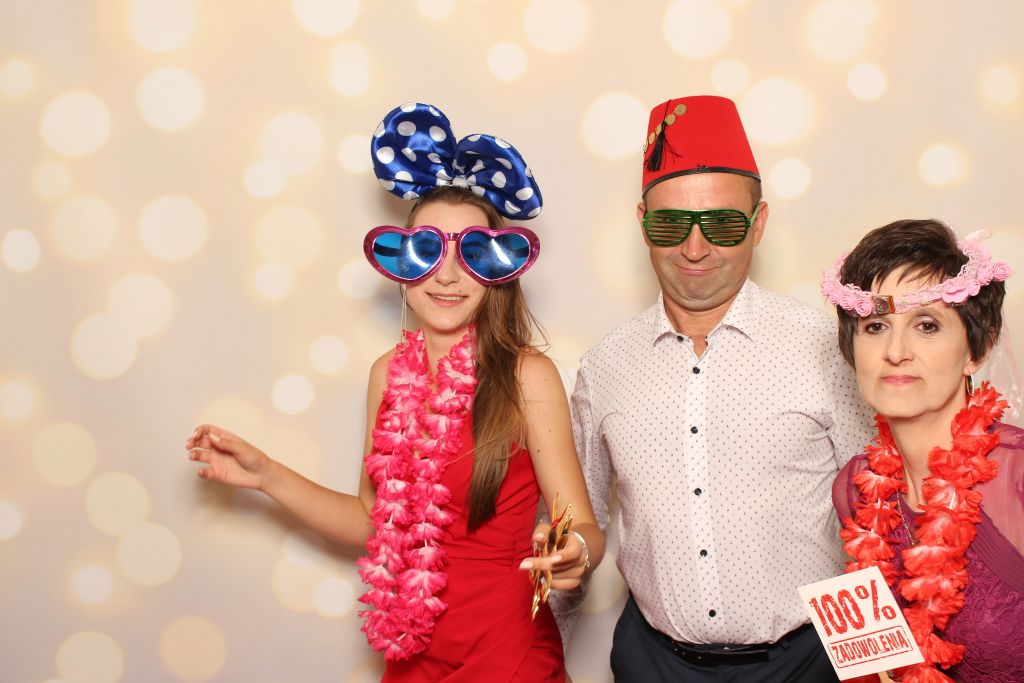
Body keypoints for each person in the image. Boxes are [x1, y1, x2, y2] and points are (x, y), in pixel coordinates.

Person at [185, 102, 604, 682]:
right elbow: (372, 522)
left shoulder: (526, 375)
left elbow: (583, 526)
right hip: (412, 656)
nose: (447, 275)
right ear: (404, 264)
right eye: (429, 251)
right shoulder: (387, 373)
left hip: (508, 657)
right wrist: (266, 475)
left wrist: (574, 550)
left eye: (470, 254)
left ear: (496, 269)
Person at [564, 95, 875, 681]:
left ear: (759, 224)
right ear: (642, 222)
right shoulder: (604, 367)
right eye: (670, 224)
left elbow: (875, 515)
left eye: (724, 224)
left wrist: (877, 666)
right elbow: (581, 521)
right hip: (653, 662)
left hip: (808, 660)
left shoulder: (828, 349)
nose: (695, 248)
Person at [825, 219, 1022, 682]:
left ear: (976, 351)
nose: (895, 351)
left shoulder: (1017, 478)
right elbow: (872, 663)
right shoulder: (854, 489)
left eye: (927, 326)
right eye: (875, 326)